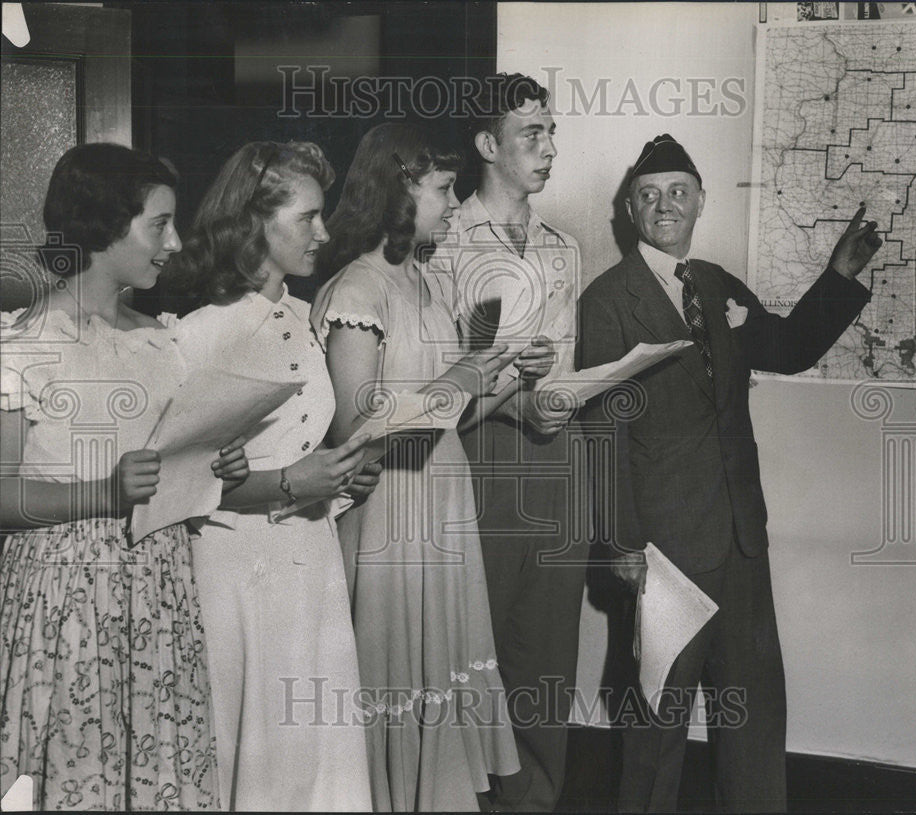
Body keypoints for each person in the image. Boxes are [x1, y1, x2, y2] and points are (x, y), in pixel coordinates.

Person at [577, 133, 883, 813]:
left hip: (743, 538)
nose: (665, 206)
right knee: (658, 722)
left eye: (678, 193)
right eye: (649, 196)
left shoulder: (714, 284)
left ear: (700, 203)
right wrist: (622, 542)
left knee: (752, 714)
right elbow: (601, 428)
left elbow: (788, 347)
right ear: (630, 211)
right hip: (664, 546)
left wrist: (840, 276)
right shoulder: (607, 301)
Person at [310, 122, 554, 811]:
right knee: (394, 675)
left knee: (440, 674)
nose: (453, 204)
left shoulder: (421, 280)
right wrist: (464, 372)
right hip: (390, 513)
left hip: (443, 502)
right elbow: (357, 426)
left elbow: (452, 416)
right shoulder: (357, 290)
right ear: (398, 189)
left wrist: (506, 374)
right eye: (442, 189)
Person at [0, 143, 248, 810]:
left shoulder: (162, 340)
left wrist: (215, 470)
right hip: (67, 604)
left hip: (159, 593)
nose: (177, 242)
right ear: (106, 225)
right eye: (159, 224)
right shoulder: (27, 343)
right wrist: (103, 494)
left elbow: (172, 478)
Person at [165, 141, 376, 811]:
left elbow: (300, 441)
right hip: (239, 569)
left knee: (316, 752)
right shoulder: (201, 333)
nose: (325, 232)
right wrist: (290, 483)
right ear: (254, 222)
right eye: (307, 217)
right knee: (261, 753)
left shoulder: (299, 315)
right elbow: (184, 483)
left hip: (309, 559)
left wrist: (339, 477)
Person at [427, 72, 585, 812]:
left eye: (552, 131)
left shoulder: (564, 247)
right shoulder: (443, 240)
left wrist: (559, 395)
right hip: (480, 459)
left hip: (555, 462)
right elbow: (437, 390)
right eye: (533, 134)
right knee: (473, 658)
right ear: (489, 144)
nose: (550, 147)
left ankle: (536, 802)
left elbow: (563, 359)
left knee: (547, 659)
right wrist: (518, 400)